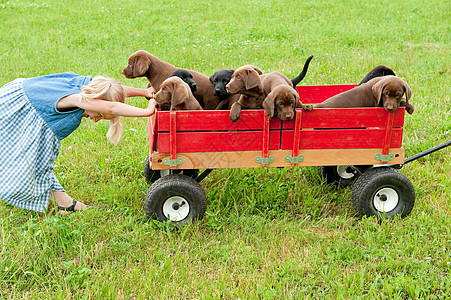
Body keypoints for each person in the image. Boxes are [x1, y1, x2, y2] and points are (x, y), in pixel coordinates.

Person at [0, 72, 156, 214]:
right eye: (100, 114)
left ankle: (65, 204)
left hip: (19, 98)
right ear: (96, 101)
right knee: (24, 163)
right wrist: (147, 111)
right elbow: (110, 105)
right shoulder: (77, 98)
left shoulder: (91, 87)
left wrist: (143, 92)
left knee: (37, 162)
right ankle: (64, 204)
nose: (96, 120)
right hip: (16, 110)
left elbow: (113, 90)